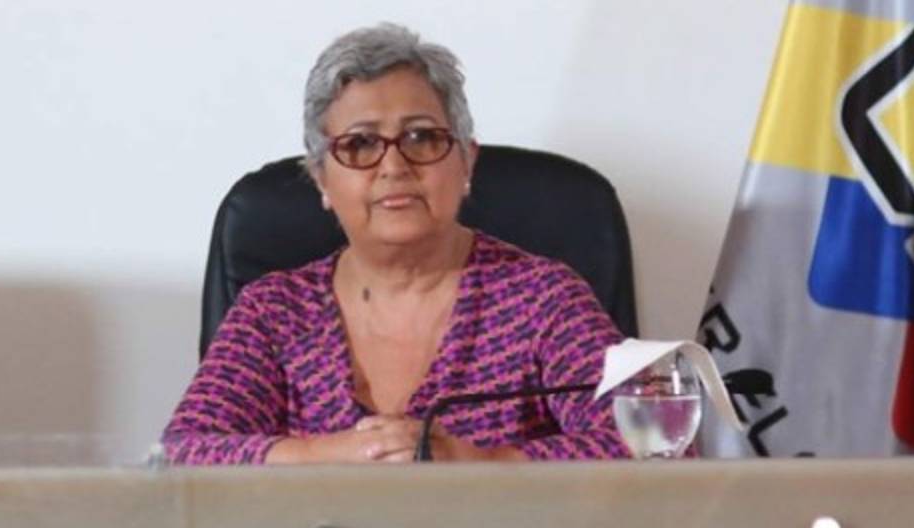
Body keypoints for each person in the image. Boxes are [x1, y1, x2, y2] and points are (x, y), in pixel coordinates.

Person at [163, 23, 630, 464]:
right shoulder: (273, 312)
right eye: (359, 144)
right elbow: (181, 454)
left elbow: (648, 441)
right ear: (321, 178)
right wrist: (326, 457)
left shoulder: (543, 298)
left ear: (466, 162)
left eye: (421, 138)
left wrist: (483, 464)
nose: (393, 167)